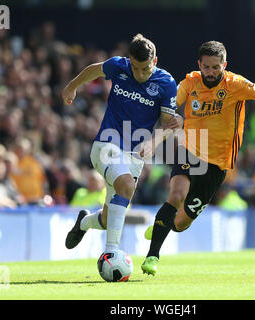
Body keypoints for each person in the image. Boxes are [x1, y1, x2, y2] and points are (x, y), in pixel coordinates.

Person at [141, 41, 255, 275]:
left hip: (218, 163)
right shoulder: (190, 82)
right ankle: (152, 256)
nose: (211, 72)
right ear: (199, 65)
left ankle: (162, 225)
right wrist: (156, 135)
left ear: (224, 65)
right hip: (191, 149)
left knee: (182, 223)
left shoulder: (235, 84)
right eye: (206, 67)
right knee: (175, 195)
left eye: (216, 67)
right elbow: (169, 107)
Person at [62, 34, 182, 255]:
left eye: (145, 68)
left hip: (135, 155)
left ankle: (84, 223)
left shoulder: (166, 83)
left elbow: (168, 124)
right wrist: (72, 86)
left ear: (155, 61)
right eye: (136, 68)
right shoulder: (119, 66)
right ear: (129, 60)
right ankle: (111, 253)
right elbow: (94, 70)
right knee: (126, 185)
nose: (140, 74)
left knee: (109, 219)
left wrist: (154, 141)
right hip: (106, 145)